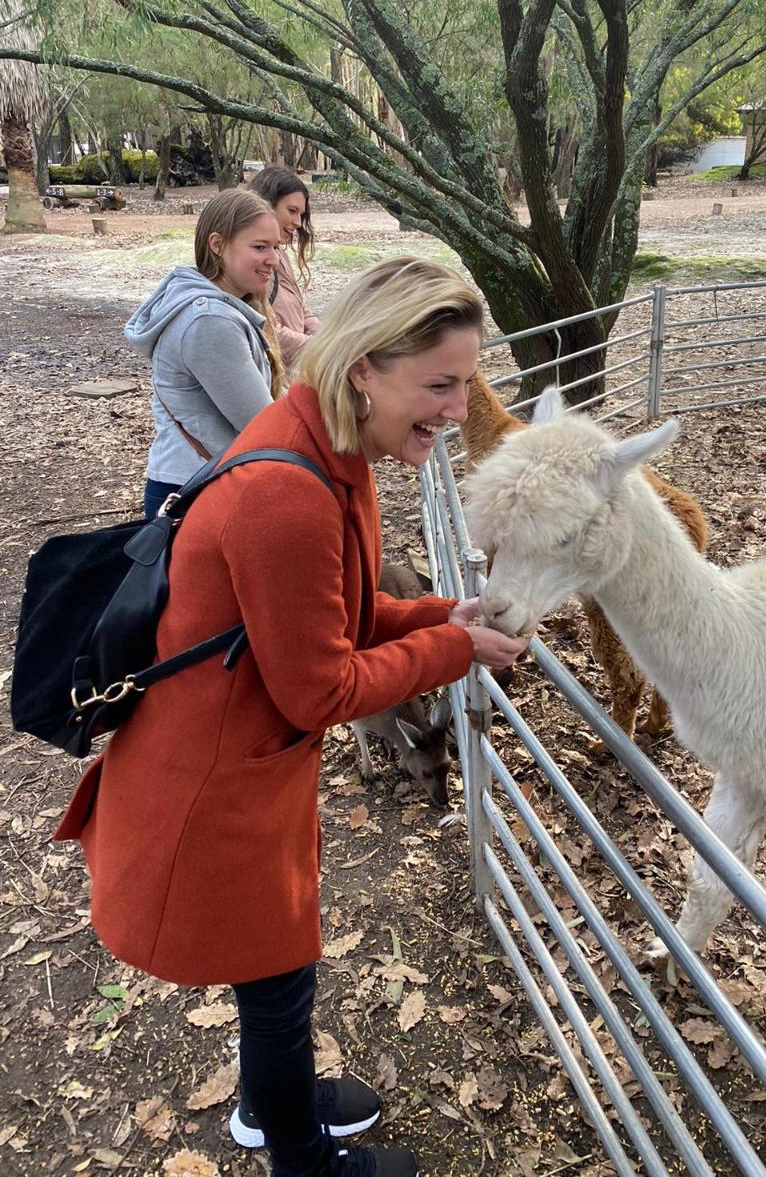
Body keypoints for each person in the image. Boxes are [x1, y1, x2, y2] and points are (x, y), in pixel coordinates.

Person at [54, 256, 528, 1177]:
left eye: (465, 383)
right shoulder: (287, 491)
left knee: (273, 963)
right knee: (276, 974)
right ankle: (299, 1154)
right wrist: (458, 649)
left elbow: (337, 618)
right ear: (364, 368)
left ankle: (278, 1099)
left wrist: (440, 615)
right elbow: (324, 688)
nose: (456, 409)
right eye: (438, 385)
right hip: (213, 782)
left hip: (249, 756)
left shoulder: (333, 449)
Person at [125, 189, 286, 518]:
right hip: (195, 491)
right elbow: (263, 424)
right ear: (217, 245)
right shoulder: (209, 321)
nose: (273, 259)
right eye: (259, 247)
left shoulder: (219, 308)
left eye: (276, 247)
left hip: (198, 482)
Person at [247, 165, 321, 366]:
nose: (298, 222)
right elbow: (263, 326)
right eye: (291, 211)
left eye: (301, 214)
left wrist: (324, 339)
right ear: (266, 204)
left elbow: (302, 308)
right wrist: (320, 348)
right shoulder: (248, 263)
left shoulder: (280, 253)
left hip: (292, 374)